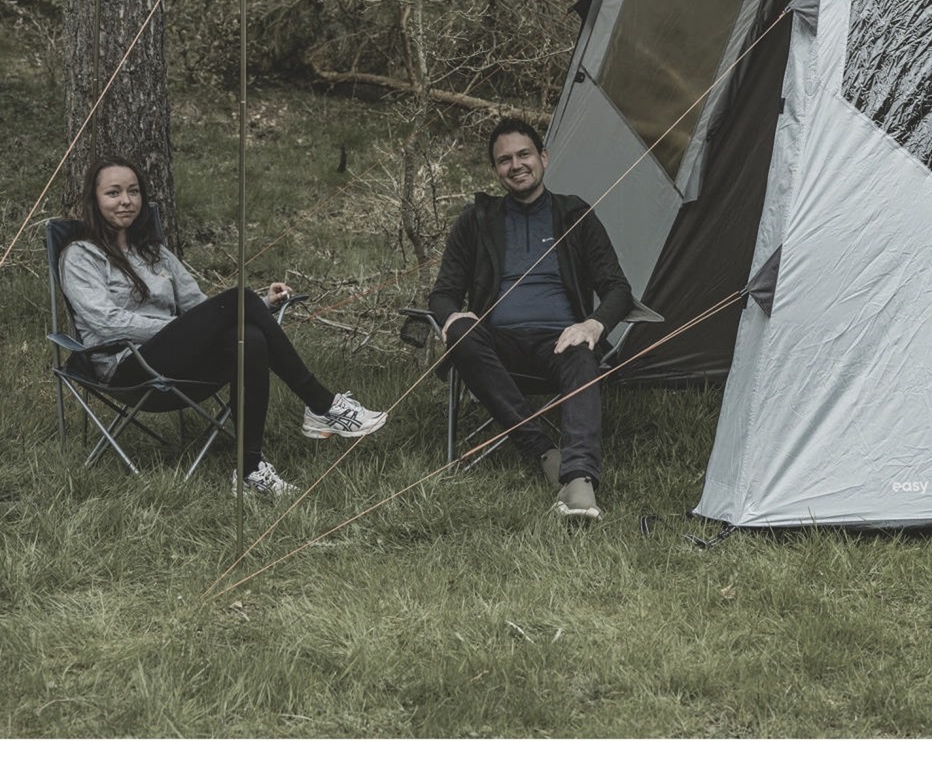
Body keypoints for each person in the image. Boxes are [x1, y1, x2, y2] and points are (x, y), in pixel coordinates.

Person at [60, 156, 388, 497]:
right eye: (113, 193)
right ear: (94, 200)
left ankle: (250, 470)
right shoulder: (81, 256)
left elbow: (200, 308)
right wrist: (180, 329)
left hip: (175, 361)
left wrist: (263, 304)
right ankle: (321, 404)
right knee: (238, 299)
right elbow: (107, 322)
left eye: (133, 191)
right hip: (126, 368)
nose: (126, 201)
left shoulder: (154, 252)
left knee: (250, 338)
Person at [429, 118, 633, 520]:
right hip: (496, 345)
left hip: (560, 341)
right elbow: (442, 293)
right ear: (495, 170)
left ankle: (579, 481)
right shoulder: (476, 220)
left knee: (581, 349)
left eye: (524, 154)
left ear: (543, 157)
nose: (516, 165)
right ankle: (543, 450)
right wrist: (451, 316)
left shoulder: (575, 214)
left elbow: (617, 288)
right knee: (462, 332)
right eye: (504, 160)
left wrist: (593, 324)